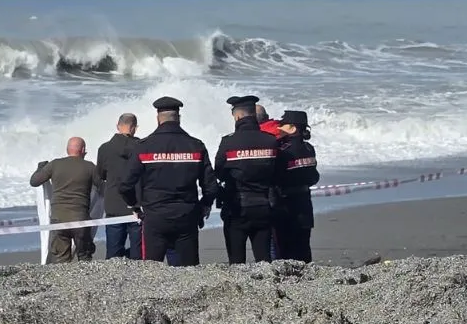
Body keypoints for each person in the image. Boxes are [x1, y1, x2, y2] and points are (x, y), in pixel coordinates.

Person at [119, 96, 219, 265]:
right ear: (178, 117)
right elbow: (211, 186)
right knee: (189, 272)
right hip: (187, 216)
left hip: (155, 216)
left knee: (152, 272)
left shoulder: (144, 147)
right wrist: (204, 206)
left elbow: (125, 185)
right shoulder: (196, 146)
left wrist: (135, 205)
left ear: (158, 118)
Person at [216, 95, 279, 263]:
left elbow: (219, 172)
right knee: (264, 260)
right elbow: (278, 172)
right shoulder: (271, 141)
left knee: (236, 261)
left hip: (236, 208)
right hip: (264, 206)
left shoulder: (228, 142)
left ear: (237, 116)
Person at [29, 137, 102, 262]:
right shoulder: (90, 167)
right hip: (81, 220)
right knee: (84, 258)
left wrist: (40, 168)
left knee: (61, 261)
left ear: (67, 149)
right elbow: (103, 188)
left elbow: (34, 181)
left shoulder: (55, 164)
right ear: (83, 150)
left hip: (59, 220)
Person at [272, 110, 319, 262]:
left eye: (282, 125)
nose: (279, 128)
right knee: (303, 246)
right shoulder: (309, 148)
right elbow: (314, 177)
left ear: (292, 128)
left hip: (286, 205)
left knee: (285, 249)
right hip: (305, 203)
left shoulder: (283, 151)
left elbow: (276, 177)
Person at [96, 113, 142, 260]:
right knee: (139, 254)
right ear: (134, 128)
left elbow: (101, 175)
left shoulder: (104, 148)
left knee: (113, 255)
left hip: (113, 204)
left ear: (118, 126)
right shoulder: (141, 147)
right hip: (137, 205)